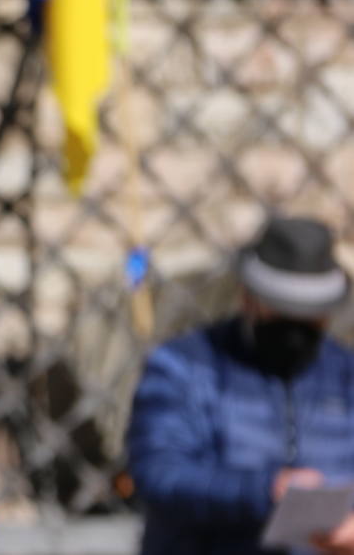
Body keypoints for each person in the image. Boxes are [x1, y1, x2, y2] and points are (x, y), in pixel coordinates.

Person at [127, 216, 354, 555]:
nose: (296, 328)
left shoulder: (344, 373)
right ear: (247, 297)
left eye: (310, 315)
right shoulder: (183, 367)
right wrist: (264, 491)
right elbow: (160, 475)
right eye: (282, 310)